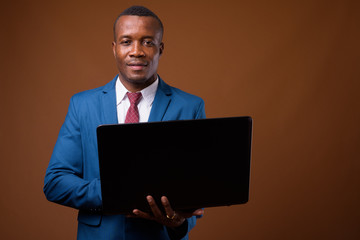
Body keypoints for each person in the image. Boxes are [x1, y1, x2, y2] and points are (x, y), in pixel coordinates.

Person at [43, 5, 206, 240]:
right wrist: (118, 192)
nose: (136, 51)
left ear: (160, 49)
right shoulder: (82, 105)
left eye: (148, 42)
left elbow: (198, 188)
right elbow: (56, 181)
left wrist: (179, 224)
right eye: (127, 41)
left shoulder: (190, 106)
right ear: (114, 48)